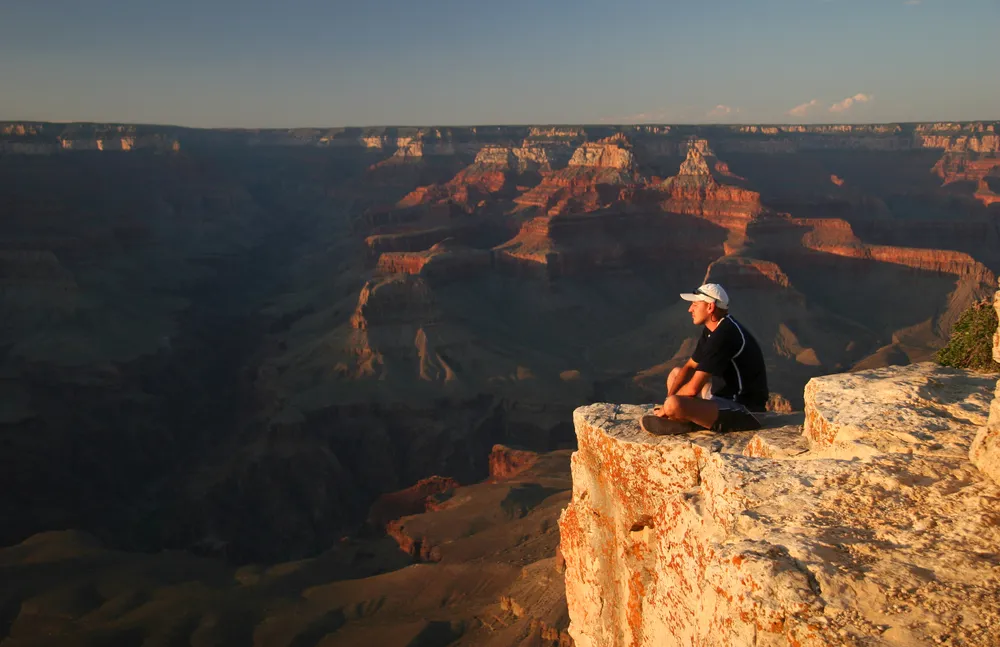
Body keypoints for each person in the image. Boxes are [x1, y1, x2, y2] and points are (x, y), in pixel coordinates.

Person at [641, 283, 768, 435]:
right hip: (721, 397)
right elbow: (689, 366)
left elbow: (694, 387)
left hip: (746, 411)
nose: (690, 309)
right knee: (676, 374)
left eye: (695, 304)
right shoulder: (712, 329)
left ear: (710, 307)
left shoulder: (725, 334)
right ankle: (685, 418)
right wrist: (668, 398)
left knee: (674, 404)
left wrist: (667, 408)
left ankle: (690, 424)